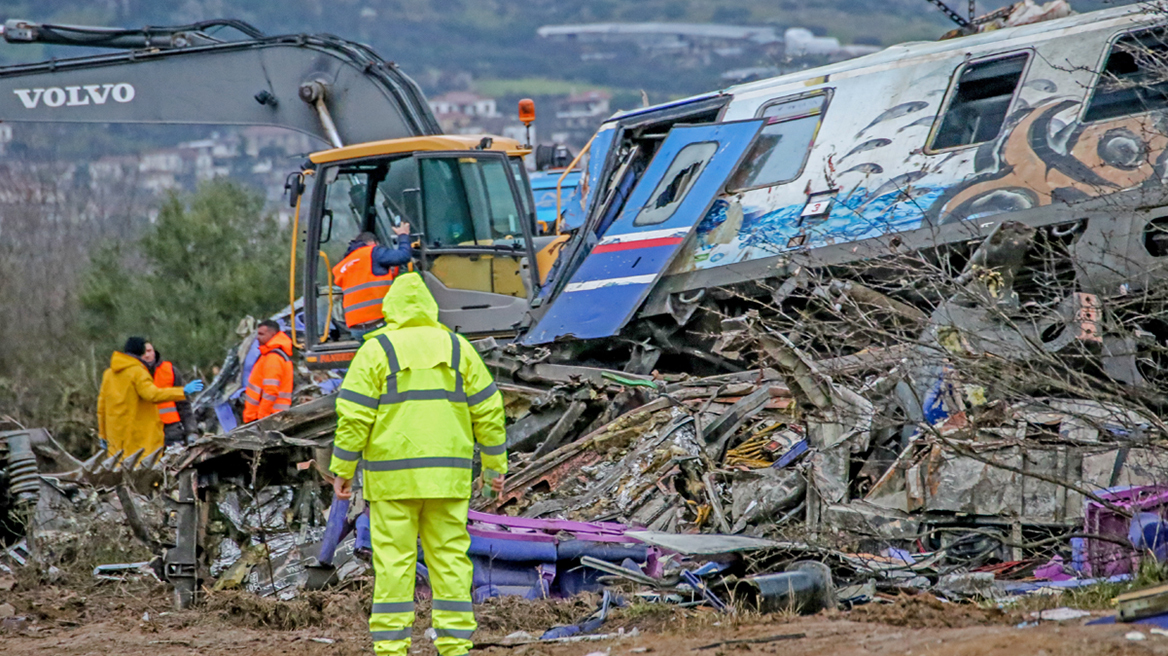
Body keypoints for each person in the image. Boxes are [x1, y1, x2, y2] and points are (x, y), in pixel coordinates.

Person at [329, 272, 506, 656]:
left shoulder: (377, 350)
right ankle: (456, 646)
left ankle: (392, 649)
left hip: (394, 483)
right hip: (448, 480)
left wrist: (342, 469)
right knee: (450, 561)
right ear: (429, 306)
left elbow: (354, 417)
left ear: (390, 308)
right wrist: (494, 466)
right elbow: (489, 409)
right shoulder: (458, 348)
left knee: (394, 564)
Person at [97, 336, 203, 459]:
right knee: (151, 471)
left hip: (160, 432)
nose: (147, 355)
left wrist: (103, 435)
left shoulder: (109, 375)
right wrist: (183, 391)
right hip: (144, 435)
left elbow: (101, 409)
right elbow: (152, 394)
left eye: (150, 351)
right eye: (145, 351)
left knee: (125, 470)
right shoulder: (138, 372)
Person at [331, 224, 413, 340]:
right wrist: (403, 235)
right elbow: (403, 256)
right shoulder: (372, 252)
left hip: (356, 329)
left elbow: (368, 279)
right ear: (372, 243)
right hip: (378, 324)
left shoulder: (342, 266)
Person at [143, 343, 196, 446]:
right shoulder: (132, 376)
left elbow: (184, 404)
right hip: (146, 433)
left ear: (154, 352)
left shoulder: (170, 370)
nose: (147, 355)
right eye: (143, 352)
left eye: (149, 351)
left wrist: (191, 431)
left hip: (172, 431)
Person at [242, 320, 295, 423]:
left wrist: (262, 417)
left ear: (272, 334)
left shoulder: (273, 358)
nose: (258, 337)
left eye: (261, 334)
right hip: (270, 416)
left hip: (268, 417)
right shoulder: (271, 355)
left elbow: (271, 391)